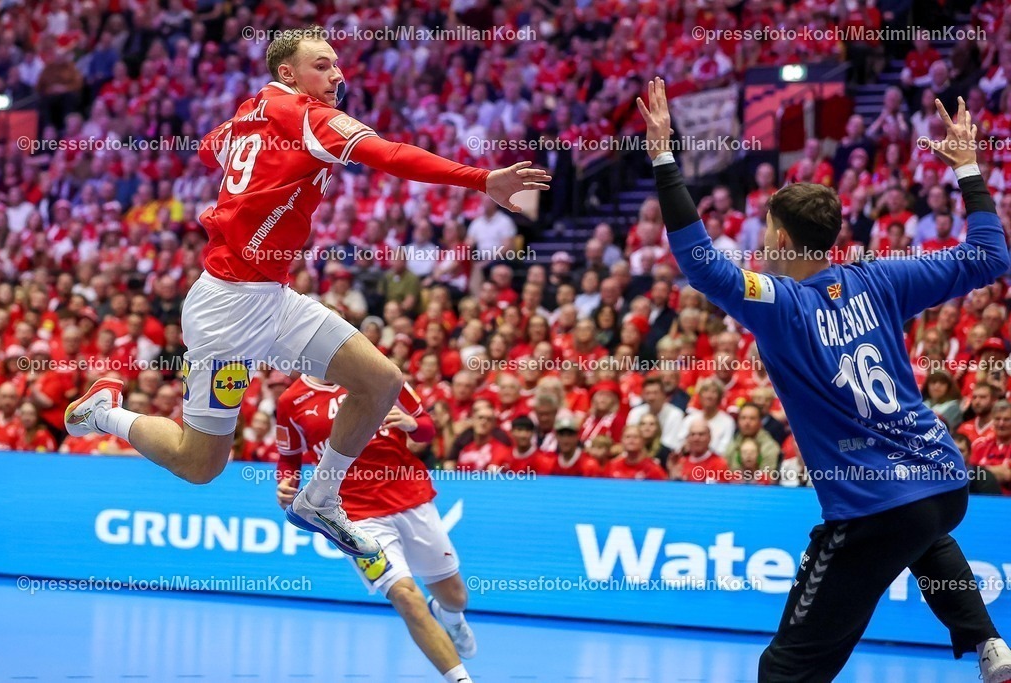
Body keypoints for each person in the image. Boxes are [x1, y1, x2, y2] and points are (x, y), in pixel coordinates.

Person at [63, 26, 549, 558]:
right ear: (288, 74)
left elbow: (208, 149)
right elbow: (390, 154)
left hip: (273, 297)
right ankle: (104, 412)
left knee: (381, 380)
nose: (337, 74)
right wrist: (481, 179)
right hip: (226, 311)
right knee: (199, 464)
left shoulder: (253, 112)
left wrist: (249, 160)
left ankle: (320, 495)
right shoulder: (309, 118)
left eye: (338, 64)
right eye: (322, 65)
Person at [638, 82, 1011, 682]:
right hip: (943, 482)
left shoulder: (778, 302)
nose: (760, 239)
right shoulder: (883, 278)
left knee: (785, 672)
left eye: (765, 229)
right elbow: (991, 257)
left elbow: (700, 262)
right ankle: (989, 643)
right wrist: (968, 165)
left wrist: (662, 156)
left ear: (781, 239)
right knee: (918, 528)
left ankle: (979, 638)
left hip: (873, 507)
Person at [275, 375, 477, 683]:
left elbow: (427, 429)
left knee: (456, 598)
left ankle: (449, 614)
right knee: (406, 597)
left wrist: (411, 423)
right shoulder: (291, 401)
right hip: (353, 516)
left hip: (410, 498)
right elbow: (289, 459)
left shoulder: (379, 374)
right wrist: (286, 484)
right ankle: (461, 679)